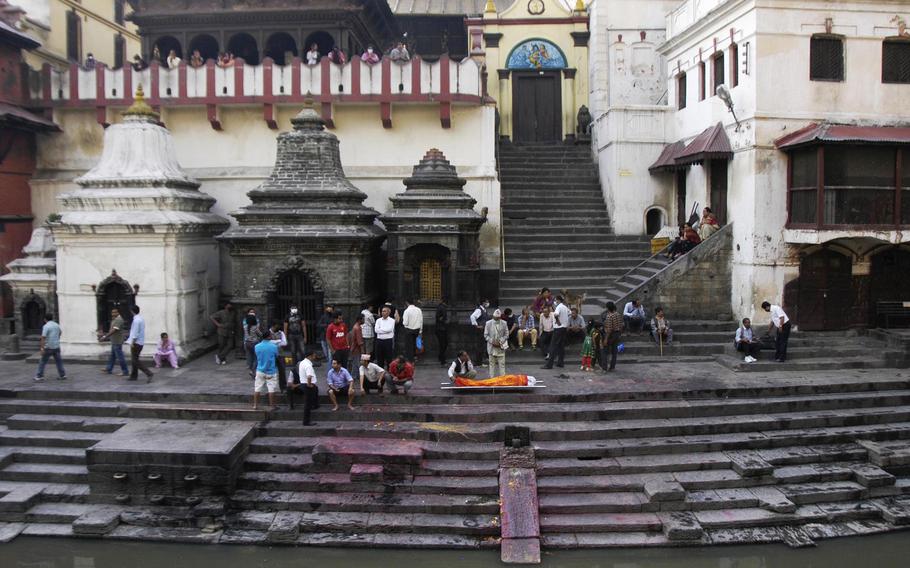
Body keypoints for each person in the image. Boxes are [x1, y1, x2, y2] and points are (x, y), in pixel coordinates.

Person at [34, 313, 66, 382]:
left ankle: (39, 376)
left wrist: (42, 348)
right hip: (56, 346)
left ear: (45, 319)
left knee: (42, 361)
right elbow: (60, 332)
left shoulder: (46, 326)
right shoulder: (56, 325)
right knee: (59, 361)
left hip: (48, 347)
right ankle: (62, 375)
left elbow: (43, 337)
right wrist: (56, 338)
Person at [127, 305, 154, 382]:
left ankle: (149, 373)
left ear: (132, 311)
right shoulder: (140, 319)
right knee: (134, 359)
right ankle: (134, 375)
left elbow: (135, 333)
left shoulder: (136, 321)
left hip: (136, 342)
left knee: (135, 361)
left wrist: (132, 342)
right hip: (140, 342)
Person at [252, 334, 279, 410]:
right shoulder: (274, 346)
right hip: (271, 371)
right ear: (269, 337)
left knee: (257, 388)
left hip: (260, 370)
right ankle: (272, 405)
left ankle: (255, 405)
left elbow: (257, 357)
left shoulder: (257, 346)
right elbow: (276, 356)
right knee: (271, 389)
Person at [99, 308, 129, 376]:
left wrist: (104, 337)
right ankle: (109, 368)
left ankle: (125, 371)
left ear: (118, 312)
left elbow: (114, 330)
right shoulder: (115, 319)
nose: (113, 314)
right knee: (112, 356)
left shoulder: (119, 320)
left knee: (120, 357)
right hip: (114, 341)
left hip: (117, 341)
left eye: (115, 312)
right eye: (112, 312)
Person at [543, 295, 570, 369]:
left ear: (558, 300)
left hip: (558, 329)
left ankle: (549, 365)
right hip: (564, 328)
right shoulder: (564, 307)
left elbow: (556, 314)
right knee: (561, 346)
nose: (555, 302)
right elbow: (569, 312)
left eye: (555, 300)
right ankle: (560, 362)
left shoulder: (559, 307)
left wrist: (558, 321)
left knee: (553, 346)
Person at [296, 350, 320, 425]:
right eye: (314, 355)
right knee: (307, 404)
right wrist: (309, 384)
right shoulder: (308, 365)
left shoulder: (302, 362)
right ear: (310, 356)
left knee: (315, 389)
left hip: (303, 384)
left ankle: (315, 405)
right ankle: (306, 421)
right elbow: (309, 376)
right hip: (307, 385)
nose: (315, 356)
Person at [484, 309, 510, 378]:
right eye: (495, 317)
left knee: (502, 363)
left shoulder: (504, 323)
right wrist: (492, 342)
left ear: (500, 317)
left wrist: (500, 341)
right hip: (492, 347)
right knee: (491, 364)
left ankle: (503, 378)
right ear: (493, 316)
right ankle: (491, 378)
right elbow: (486, 335)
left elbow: (507, 334)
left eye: (498, 318)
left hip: (500, 346)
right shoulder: (488, 323)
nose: (496, 319)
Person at [601, 301, 623, 371]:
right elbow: (621, 325)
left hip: (611, 335)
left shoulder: (609, 316)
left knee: (604, 351)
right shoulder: (618, 314)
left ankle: (604, 368)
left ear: (608, 308)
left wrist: (606, 339)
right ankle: (612, 367)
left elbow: (609, 329)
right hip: (617, 334)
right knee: (614, 352)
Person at [470, 300, 490, 366]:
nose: (488, 303)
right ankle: (478, 362)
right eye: (486, 302)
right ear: (483, 303)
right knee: (480, 346)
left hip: (484, 330)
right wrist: (476, 326)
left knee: (482, 346)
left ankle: (480, 361)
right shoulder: (479, 310)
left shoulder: (484, 310)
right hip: (480, 330)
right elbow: (472, 317)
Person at [402, 298, 423, 363]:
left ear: (407, 303)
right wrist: (420, 331)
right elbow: (421, 321)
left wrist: (405, 325)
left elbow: (405, 322)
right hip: (417, 330)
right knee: (415, 344)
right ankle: (415, 356)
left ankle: (410, 359)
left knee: (409, 345)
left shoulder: (407, 311)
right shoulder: (419, 310)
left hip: (409, 330)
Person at [243, 313, 263, 377]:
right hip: (254, 343)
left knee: (250, 358)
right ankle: (253, 371)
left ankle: (251, 370)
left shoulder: (245, 327)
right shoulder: (255, 327)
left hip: (247, 343)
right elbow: (260, 335)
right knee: (256, 358)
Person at [435, 298, 450, 366]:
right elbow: (440, 317)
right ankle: (442, 360)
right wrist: (443, 320)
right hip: (441, 328)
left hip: (441, 328)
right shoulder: (442, 308)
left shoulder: (441, 307)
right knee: (443, 344)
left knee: (443, 344)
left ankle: (441, 357)